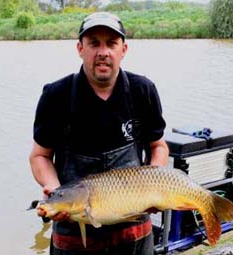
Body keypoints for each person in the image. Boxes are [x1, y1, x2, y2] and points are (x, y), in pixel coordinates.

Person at [29, 12, 169, 255]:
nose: (103, 52)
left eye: (111, 43)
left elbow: (158, 146)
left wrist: (153, 187)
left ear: (123, 49)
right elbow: (39, 156)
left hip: (133, 232)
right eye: (94, 43)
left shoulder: (142, 90)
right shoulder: (56, 95)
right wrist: (54, 190)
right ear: (80, 48)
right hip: (74, 234)